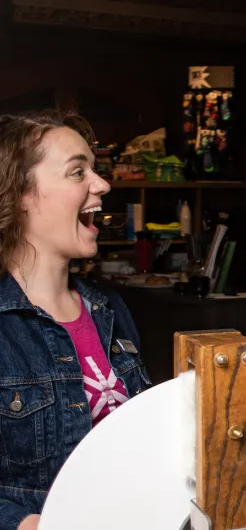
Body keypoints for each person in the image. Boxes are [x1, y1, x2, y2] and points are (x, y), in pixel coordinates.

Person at [0, 111, 152, 530]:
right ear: (20, 194)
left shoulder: (110, 310)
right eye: (76, 172)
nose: (101, 184)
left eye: (96, 170)